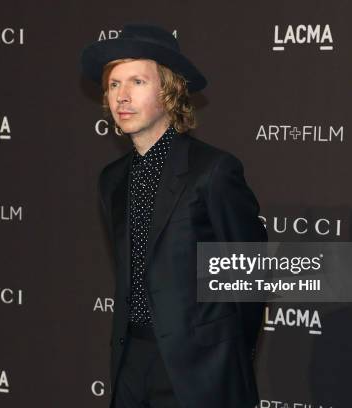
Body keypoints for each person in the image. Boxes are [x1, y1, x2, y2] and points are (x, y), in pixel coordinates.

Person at [81, 23, 268, 408]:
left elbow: (250, 276)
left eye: (137, 82)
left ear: (169, 91)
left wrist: (225, 356)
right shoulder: (111, 181)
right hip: (130, 363)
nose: (122, 96)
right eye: (114, 85)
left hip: (199, 368)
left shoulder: (213, 171)